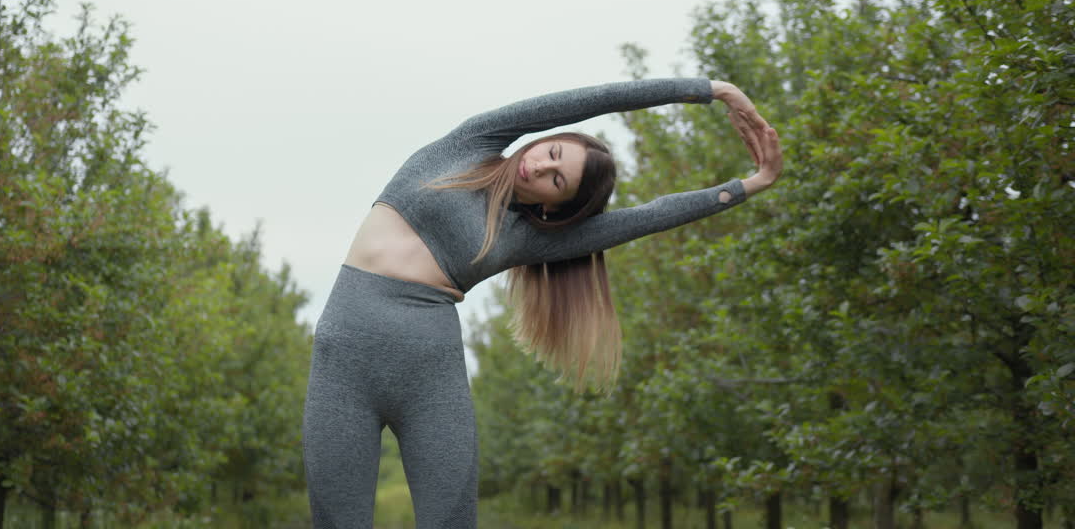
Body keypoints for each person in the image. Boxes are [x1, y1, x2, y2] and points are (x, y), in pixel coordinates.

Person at [302, 77, 782, 528]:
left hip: (430, 377)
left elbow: (647, 217)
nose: (543, 166)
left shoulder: (529, 238)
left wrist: (747, 186)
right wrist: (711, 90)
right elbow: (592, 100)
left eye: (557, 180)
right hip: (344, 360)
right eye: (552, 152)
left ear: (554, 205)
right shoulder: (468, 145)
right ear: (540, 139)